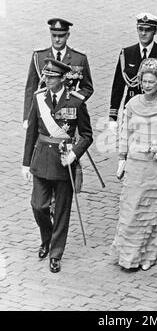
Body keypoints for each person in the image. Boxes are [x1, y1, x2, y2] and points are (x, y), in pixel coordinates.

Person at [22, 58, 93, 273]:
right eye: (46, 76)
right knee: (39, 206)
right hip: (42, 159)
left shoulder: (76, 102)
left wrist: (74, 154)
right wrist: (26, 163)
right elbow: (32, 131)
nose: (47, 80)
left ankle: (56, 253)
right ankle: (46, 238)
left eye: (52, 77)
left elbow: (87, 135)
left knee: (62, 210)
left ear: (63, 79)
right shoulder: (39, 98)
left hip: (64, 162)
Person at [110, 58, 157, 271]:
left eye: (151, 82)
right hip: (135, 166)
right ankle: (127, 256)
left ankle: (147, 255)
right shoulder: (132, 105)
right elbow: (125, 133)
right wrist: (122, 158)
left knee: (151, 212)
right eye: (144, 81)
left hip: (156, 167)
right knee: (131, 211)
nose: (147, 85)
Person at [108, 13, 157, 128]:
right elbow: (118, 86)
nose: (143, 33)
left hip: (155, 110)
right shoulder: (126, 54)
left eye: (148, 30)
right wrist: (113, 116)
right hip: (131, 109)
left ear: (155, 31)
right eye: (140, 29)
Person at [23, 18, 94, 129]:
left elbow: (87, 88)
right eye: (54, 35)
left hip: (67, 113)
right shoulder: (39, 57)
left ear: (67, 35)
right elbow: (31, 89)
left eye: (61, 36)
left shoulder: (79, 58)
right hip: (44, 110)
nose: (57, 39)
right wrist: (27, 117)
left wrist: (73, 101)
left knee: (68, 143)